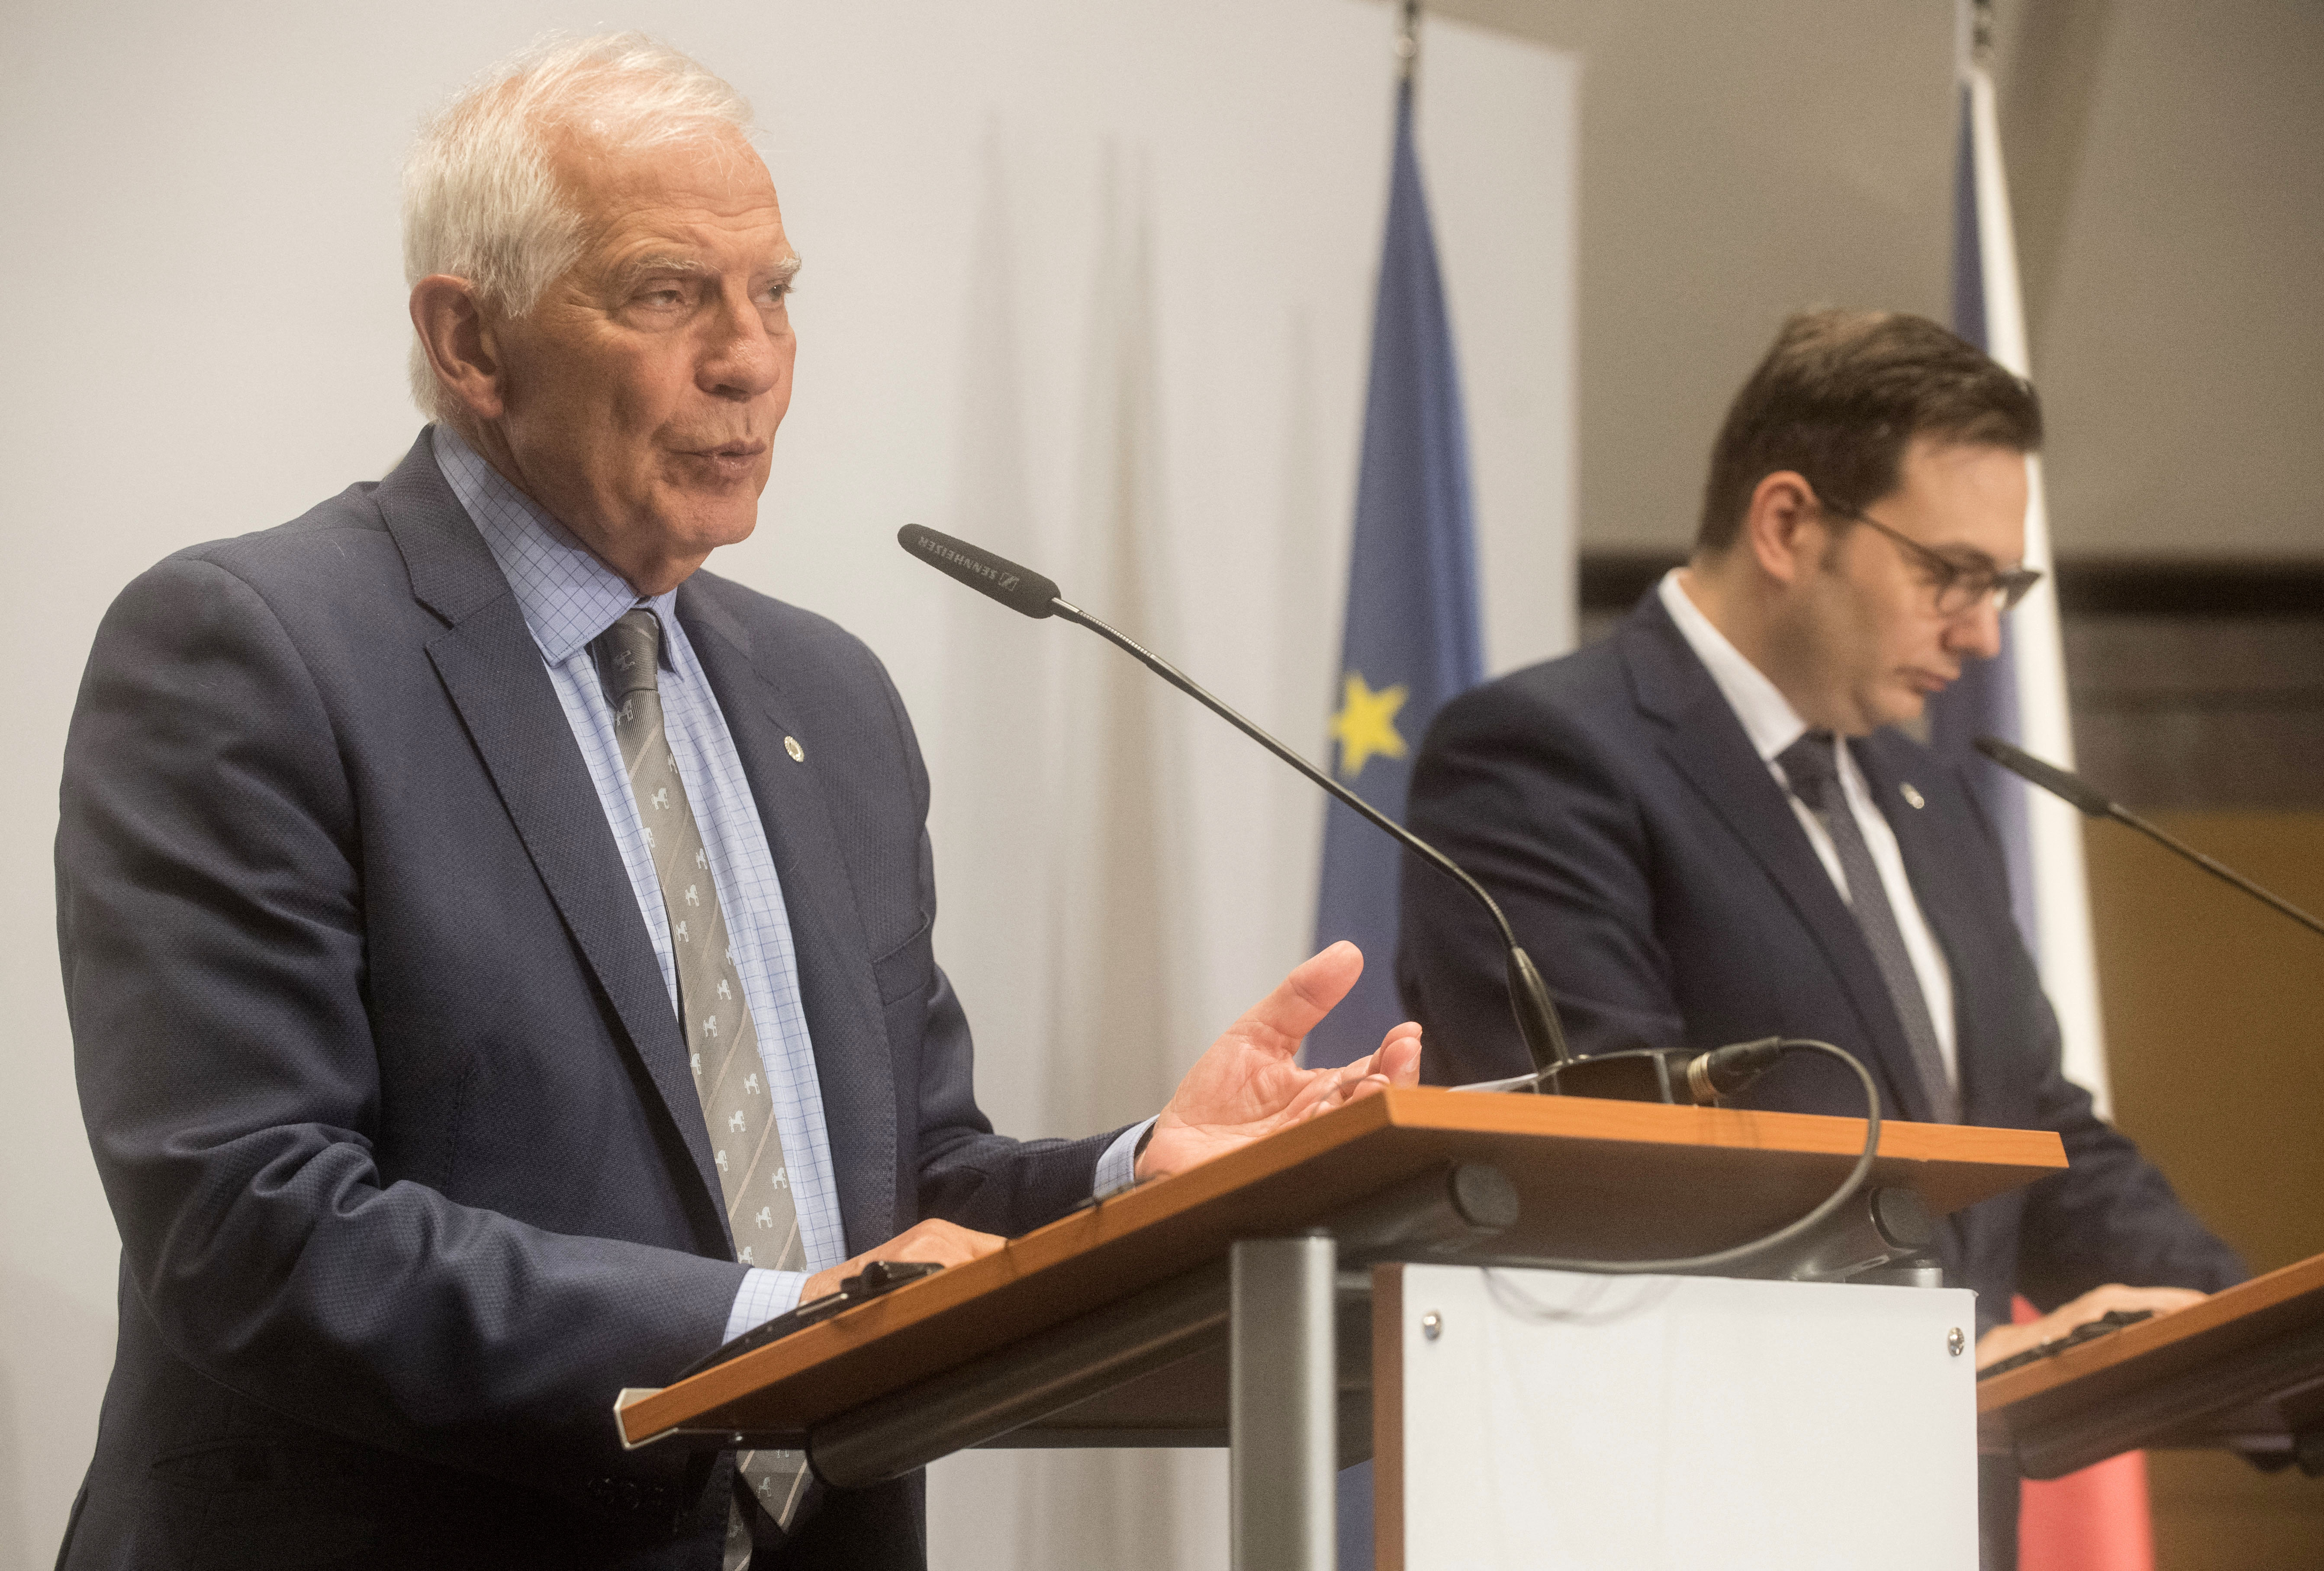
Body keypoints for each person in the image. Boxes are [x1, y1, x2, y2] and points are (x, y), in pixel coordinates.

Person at [55, 35, 1420, 1571]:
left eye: (773, 292)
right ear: (471, 343)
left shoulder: (826, 702)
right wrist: (773, 1327)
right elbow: (252, 1221)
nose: (749, 356)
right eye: (665, 293)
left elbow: (903, 1190)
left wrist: (1135, 1177)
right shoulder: (256, 652)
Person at [1394, 309, 2244, 1568]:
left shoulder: (1931, 799)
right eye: (1950, 575)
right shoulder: (1543, 758)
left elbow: (2036, 1136)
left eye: (2002, 587)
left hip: (1941, 1519)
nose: (1983, 633)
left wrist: (2251, 1338)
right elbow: (1618, 1163)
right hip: (1671, 1517)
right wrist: (1916, 1363)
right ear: (1789, 524)